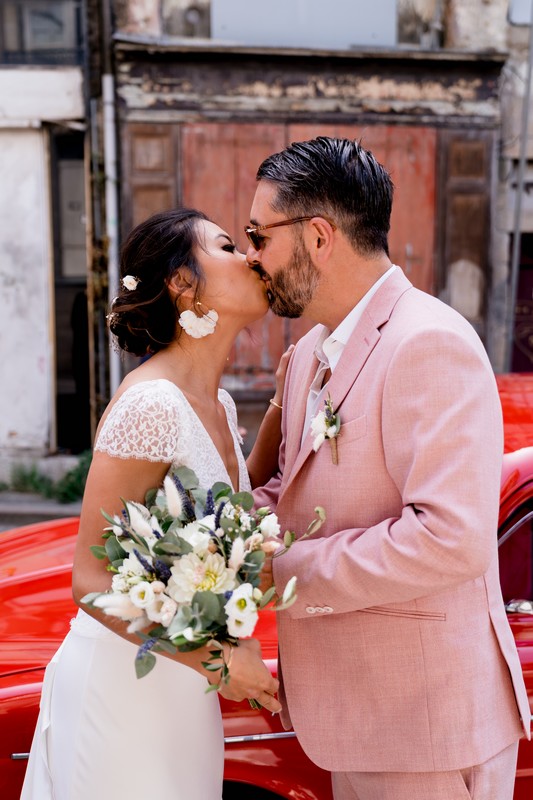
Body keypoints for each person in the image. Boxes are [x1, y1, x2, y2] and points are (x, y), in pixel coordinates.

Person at [248, 136, 531, 800]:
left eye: (258, 236)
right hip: (361, 714)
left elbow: (447, 539)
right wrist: (218, 545)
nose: (252, 257)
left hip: (425, 725)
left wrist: (280, 573)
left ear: (318, 237)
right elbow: (288, 489)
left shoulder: (428, 342)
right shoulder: (313, 349)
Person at [21, 208, 286, 800]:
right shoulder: (152, 405)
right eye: (226, 245)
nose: (248, 256)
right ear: (183, 283)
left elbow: (233, 521)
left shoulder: (216, 403)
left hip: (182, 692)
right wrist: (219, 658)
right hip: (125, 688)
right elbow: (89, 578)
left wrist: (288, 397)